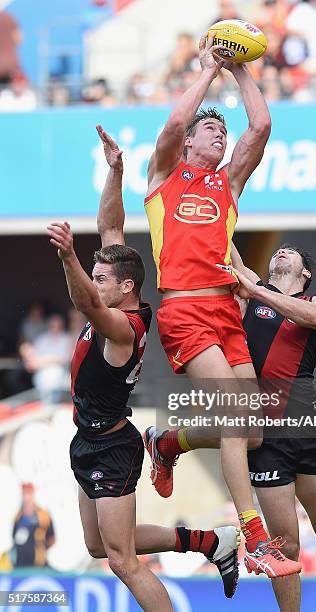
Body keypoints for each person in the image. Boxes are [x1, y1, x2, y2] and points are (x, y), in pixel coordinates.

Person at [46, 125, 241, 610]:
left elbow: (88, 303)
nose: (94, 281)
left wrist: (69, 257)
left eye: (101, 278)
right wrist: (116, 173)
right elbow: (111, 229)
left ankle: (212, 545)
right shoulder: (120, 294)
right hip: (87, 439)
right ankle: (210, 543)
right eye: (92, 273)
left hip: (112, 445)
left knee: (123, 560)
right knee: (100, 546)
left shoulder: (123, 327)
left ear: (126, 288)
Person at [143, 34, 301, 578]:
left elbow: (260, 127)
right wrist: (207, 71)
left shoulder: (227, 185)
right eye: (210, 128)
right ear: (188, 143)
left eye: (221, 128)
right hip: (184, 311)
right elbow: (171, 125)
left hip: (225, 315)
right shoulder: (166, 177)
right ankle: (254, 537)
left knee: (251, 431)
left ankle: (168, 441)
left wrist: (242, 70)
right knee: (237, 414)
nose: (220, 132)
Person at [229, 243, 316, 612]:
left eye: (291, 252)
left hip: (307, 427)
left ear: (305, 273)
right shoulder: (253, 288)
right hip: (264, 435)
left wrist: (255, 291)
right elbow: (223, 235)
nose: (281, 251)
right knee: (285, 546)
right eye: (278, 250)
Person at [12, 483, 55, 568]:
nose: (27, 497)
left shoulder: (43, 515)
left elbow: (52, 538)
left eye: (29, 493)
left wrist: (40, 548)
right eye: (24, 493)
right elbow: (14, 538)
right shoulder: (18, 517)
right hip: (20, 564)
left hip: (38, 564)